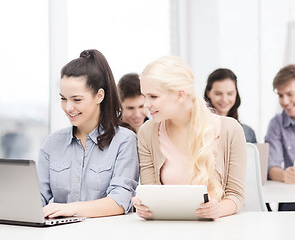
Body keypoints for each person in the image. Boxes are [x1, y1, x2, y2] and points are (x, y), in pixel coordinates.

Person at [132, 56, 247, 220]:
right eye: (144, 96)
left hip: (216, 230)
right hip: (168, 230)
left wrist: (217, 210)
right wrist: (146, 208)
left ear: (179, 95)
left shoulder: (231, 130)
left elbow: (236, 196)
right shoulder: (147, 132)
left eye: (153, 96)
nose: (146, 105)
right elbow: (151, 192)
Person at [38, 49, 139, 218]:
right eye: (63, 98)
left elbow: (120, 201)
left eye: (77, 99)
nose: (68, 108)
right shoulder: (53, 142)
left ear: (99, 96)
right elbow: (37, 196)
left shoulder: (124, 140)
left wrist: (72, 209)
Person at [265, 64, 295, 211]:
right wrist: (285, 175)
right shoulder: (276, 124)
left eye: (290, 94)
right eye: (280, 95)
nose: (284, 101)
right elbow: (271, 167)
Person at [204, 68, 257, 143]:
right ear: (208, 93)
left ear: (236, 93)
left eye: (230, 94)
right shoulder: (198, 129)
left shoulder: (248, 133)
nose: (224, 99)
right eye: (218, 94)